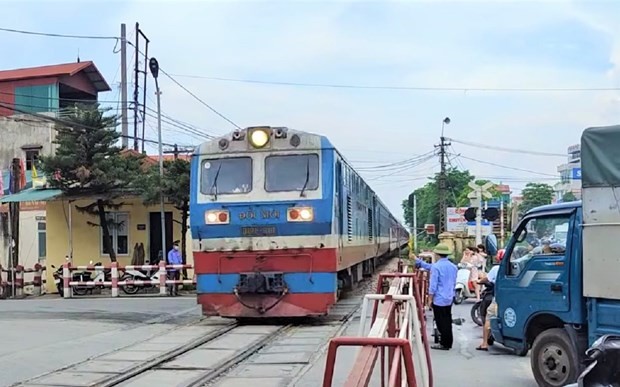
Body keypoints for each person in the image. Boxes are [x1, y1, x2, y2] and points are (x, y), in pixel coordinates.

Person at [415, 243, 458, 350]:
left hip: (439, 298)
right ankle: (448, 342)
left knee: (440, 321)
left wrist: (429, 299)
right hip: (449, 297)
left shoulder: (436, 267)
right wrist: (419, 262)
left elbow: (433, 285)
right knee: (447, 320)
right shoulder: (453, 267)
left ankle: (443, 343)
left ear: (437, 254)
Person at [476, 249, 504, 351]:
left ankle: (484, 343)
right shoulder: (513, 268)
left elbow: (486, 279)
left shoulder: (496, 268)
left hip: (497, 298)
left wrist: (479, 281)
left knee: (489, 318)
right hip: (510, 299)